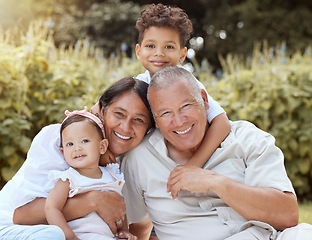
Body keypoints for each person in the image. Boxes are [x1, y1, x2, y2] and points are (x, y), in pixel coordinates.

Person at [122, 66, 312, 240]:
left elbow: (288, 215)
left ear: (204, 100)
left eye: (186, 106)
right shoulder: (139, 159)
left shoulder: (246, 138)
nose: (179, 121)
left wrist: (215, 182)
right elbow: (136, 228)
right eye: (165, 113)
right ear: (155, 118)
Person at [0, 77, 152, 239]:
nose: (126, 127)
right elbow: (22, 216)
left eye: (139, 120)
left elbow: (140, 227)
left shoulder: (124, 166)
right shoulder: (61, 140)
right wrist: (94, 200)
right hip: (13, 229)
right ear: (102, 111)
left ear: (148, 130)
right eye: (119, 114)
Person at [134, 3, 231, 171]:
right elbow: (102, 110)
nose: (159, 53)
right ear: (138, 51)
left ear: (182, 54)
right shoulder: (136, 85)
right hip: (147, 164)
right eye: (151, 46)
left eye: (169, 47)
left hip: (184, 160)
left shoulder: (187, 85)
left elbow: (222, 123)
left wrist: (193, 165)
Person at [45, 107, 136, 240]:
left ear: (102, 147)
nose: (77, 148)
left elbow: (120, 206)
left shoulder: (112, 175)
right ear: (63, 152)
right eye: (70, 144)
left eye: (85, 141)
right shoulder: (68, 179)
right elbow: (51, 208)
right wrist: (68, 236)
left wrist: (124, 230)